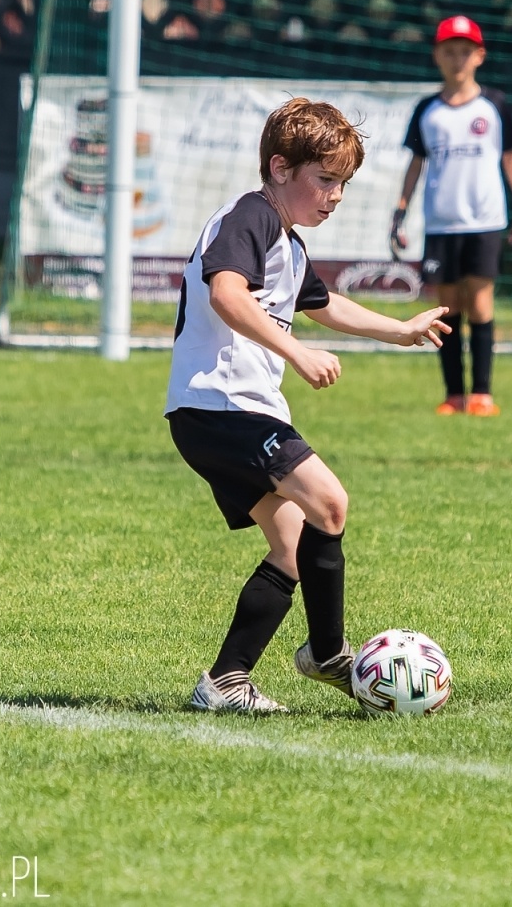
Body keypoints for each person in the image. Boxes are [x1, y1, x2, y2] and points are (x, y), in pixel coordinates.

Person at [168, 97, 449, 713]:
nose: (335, 196)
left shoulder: (288, 245)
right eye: (324, 180)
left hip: (226, 413)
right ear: (278, 168)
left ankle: (224, 683)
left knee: (294, 544)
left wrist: (399, 330)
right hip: (220, 407)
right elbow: (227, 295)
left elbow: (325, 304)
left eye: (343, 184)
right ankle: (325, 655)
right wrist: (296, 353)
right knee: (329, 502)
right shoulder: (251, 218)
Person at [390, 15, 512, 417]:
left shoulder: (494, 106)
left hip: (485, 221)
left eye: (465, 51)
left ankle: (483, 394)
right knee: (448, 306)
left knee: (481, 301)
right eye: (449, 51)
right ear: (437, 56)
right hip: (441, 222)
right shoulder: (428, 110)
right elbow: (416, 164)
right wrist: (400, 210)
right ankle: (454, 395)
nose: (457, 59)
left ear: (480, 56)